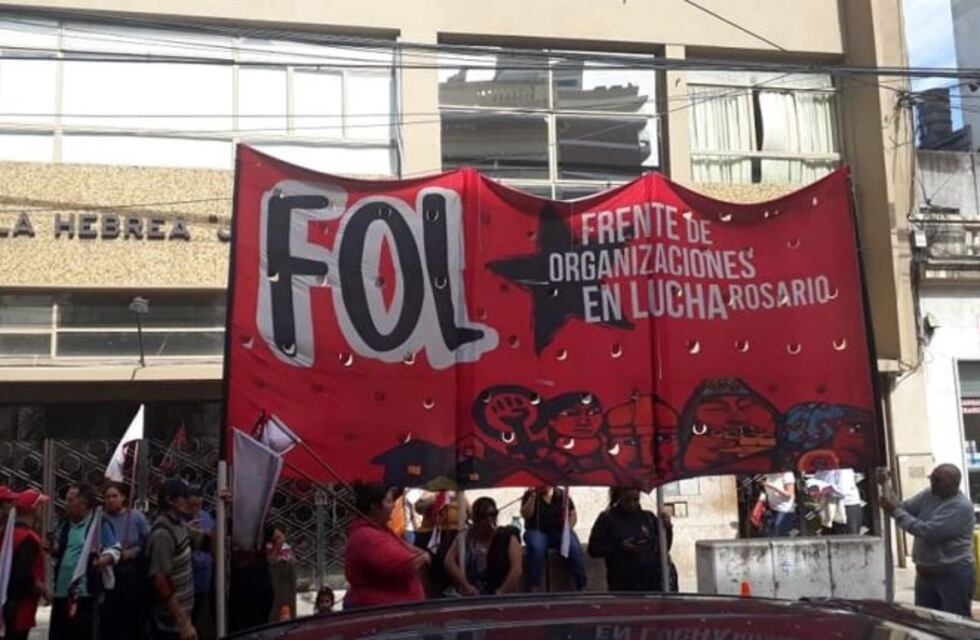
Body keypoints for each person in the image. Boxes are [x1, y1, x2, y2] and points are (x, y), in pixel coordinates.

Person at [880, 464, 976, 617]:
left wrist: (894, 511)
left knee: (955, 622)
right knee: (925, 621)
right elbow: (904, 508)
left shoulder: (961, 506)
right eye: (932, 479)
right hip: (926, 573)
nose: (933, 483)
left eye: (938, 480)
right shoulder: (930, 494)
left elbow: (927, 531)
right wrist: (887, 486)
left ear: (954, 483)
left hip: (952, 574)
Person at [49, 483, 119, 640]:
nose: (66, 503)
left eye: (70, 500)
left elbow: (114, 549)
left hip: (84, 594)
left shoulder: (98, 525)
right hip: (62, 592)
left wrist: (102, 560)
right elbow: (61, 550)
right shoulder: (65, 524)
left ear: (83, 504)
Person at [344, 482, 428, 608]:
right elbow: (404, 564)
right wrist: (425, 557)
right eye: (389, 501)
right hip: (381, 612)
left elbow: (408, 549)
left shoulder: (381, 529)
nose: (394, 506)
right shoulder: (365, 536)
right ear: (374, 506)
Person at [588, 488, 676, 592]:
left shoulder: (649, 517)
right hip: (623, 585)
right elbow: (593, 549)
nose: (632, 504)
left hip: (652, 584)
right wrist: (620, 548)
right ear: (619, 496)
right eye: (627, 500)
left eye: (635, 500)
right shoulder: (607, 518)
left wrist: (668, 529)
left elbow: (664, 548)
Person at [146, 478, 201, 640]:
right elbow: (161, 581)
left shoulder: (179, 525)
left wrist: (223, 507)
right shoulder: (163, 534)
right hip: (170, 624)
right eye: (183, 497)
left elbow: (208, 542)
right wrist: (182, 621)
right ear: (170, 500)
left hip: (185, 615)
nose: (188, 501)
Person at [100, 482, 150, 640]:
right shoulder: (101, 518)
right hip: (108, 574)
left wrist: (133, 552)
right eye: (107, 497)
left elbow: (148, 542)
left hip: (131, 574)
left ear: (123, 497)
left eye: (114, 496)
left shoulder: (135, 517)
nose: (111, 500)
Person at [444, 497, 522, 596]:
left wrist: (501, 592)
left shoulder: (506, 536)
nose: (489, 520)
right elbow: (448, 561)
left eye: (493, 514)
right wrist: (465, 585)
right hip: (471, 594)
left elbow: (517, 569)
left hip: (499, 594)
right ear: (475, 519)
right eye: (483, 516)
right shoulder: (466, 536)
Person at [3, 489, 51, 640]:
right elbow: (22, 573)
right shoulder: (27, 538)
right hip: (20, 607)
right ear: (33, 509)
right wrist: (43, 589)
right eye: (40, 506)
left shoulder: (8, 534)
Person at [520, 486, 587, 591]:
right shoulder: (530, 494)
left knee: (574, 546)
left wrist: (567, 529)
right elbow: (526, 514)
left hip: (558, 531)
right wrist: (533, 497)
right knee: (536, 546)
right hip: (537, 531)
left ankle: (582, 585)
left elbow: (572, 515)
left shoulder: (561, 494)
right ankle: (534, 586)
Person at [228, 524, 274, 633]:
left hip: (257, 582)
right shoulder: (230, 526)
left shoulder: (257, 527)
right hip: (240, 584)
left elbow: (279, 537)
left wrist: (271, 558)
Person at [185, 486, 215, 638]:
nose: (195, 509)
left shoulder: (206, 517)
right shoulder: (179, 520)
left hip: (203, 578)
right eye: (192, 506)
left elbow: (213, 542)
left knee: (199, 619)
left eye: (199, 506)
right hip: (185, 581)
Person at [757, 472, 797, 537]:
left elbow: (789, 494)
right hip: (773, 509)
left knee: (781, 536)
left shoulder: (787, 474)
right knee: (770, 534)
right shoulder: (769, 474)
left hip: (784, 511)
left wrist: (772, 486)